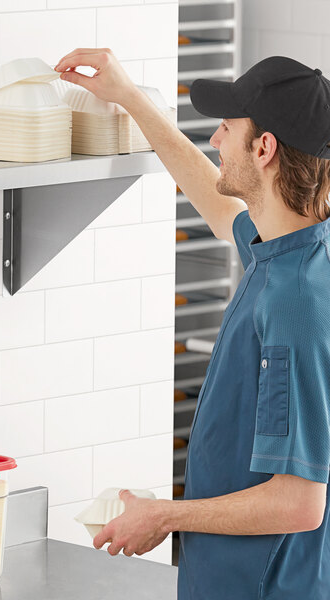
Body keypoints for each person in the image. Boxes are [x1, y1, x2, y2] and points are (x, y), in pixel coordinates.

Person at [55, 50, 330, 599]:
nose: (215, 141)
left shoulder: (294, 301)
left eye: (226, 127)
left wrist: (164, 516)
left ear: (265, 148)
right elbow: (217, 199)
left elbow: (300, 502)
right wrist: (131, 99)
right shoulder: (289, 248)